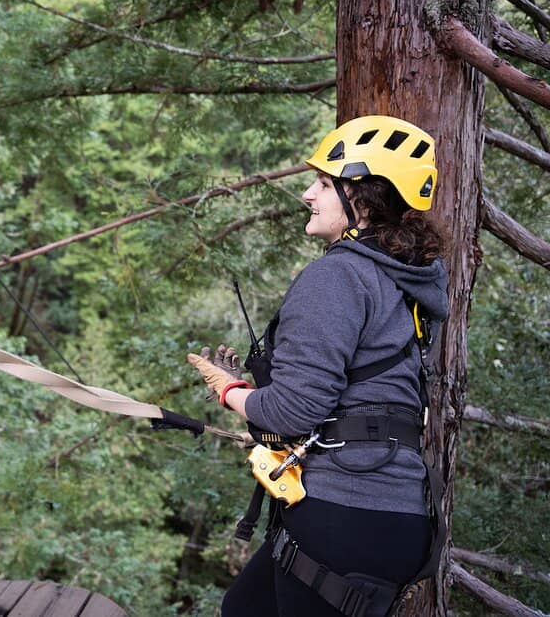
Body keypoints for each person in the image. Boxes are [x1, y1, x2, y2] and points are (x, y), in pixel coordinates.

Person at [188, 115, 448, 617]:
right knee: (243, 608)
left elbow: (293, 410)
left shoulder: (337, 276)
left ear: (365, 201)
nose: (308, 194)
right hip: (398, 516)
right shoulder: (407, 284)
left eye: (325, 184)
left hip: (345, 512)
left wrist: (230, 391)